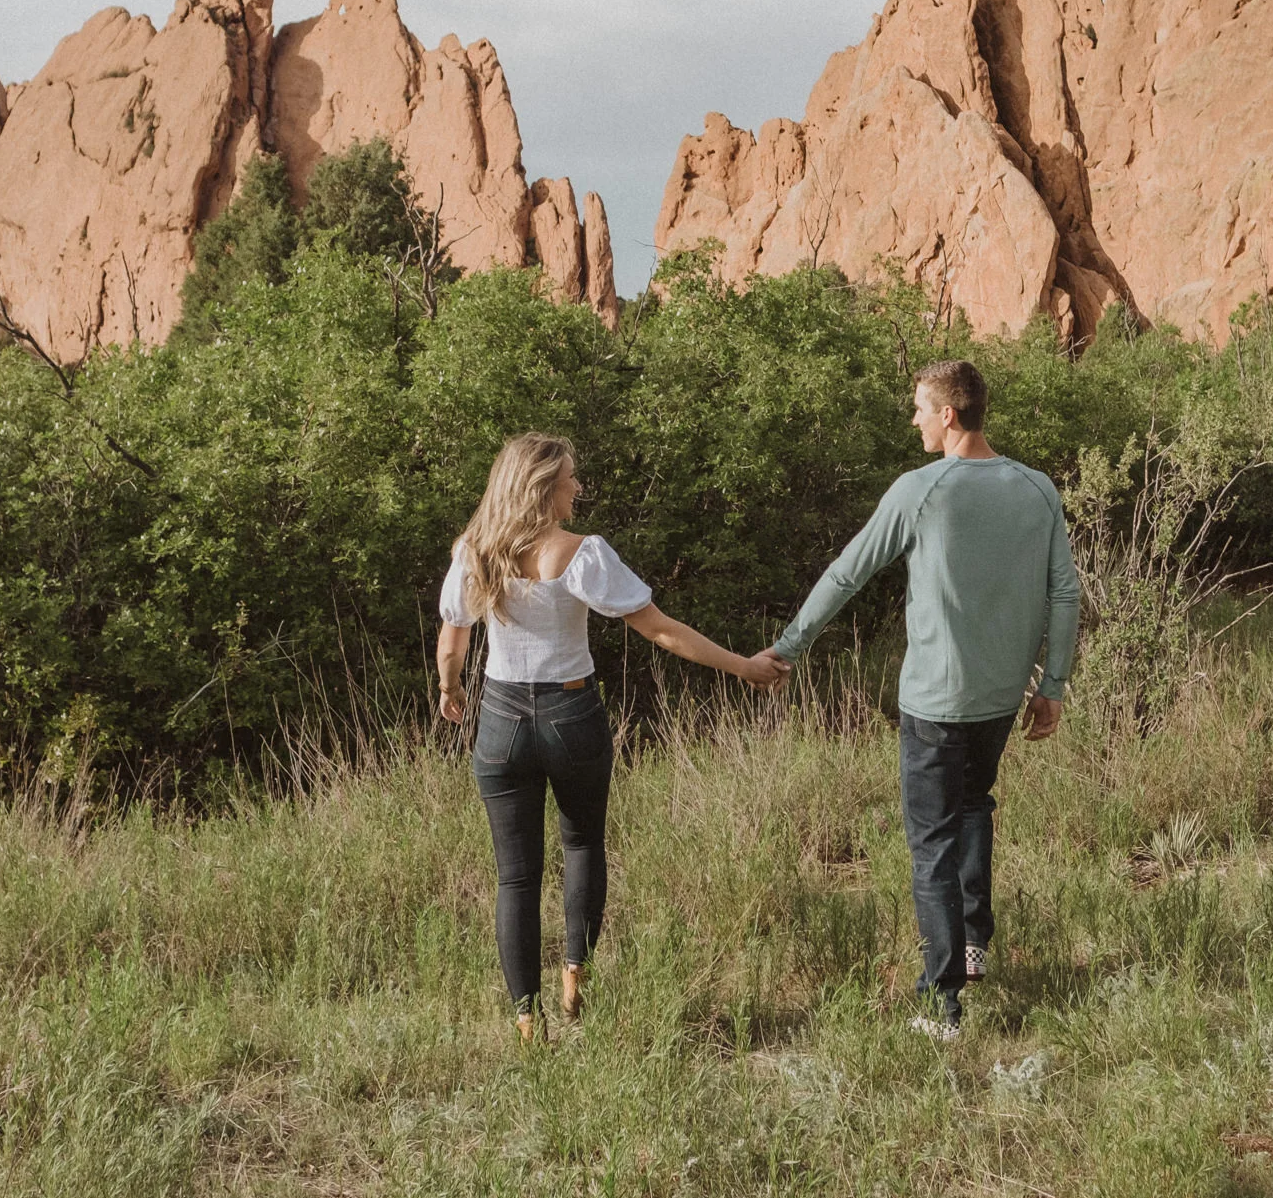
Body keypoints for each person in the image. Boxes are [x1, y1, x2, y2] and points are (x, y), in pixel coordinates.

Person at [756, 360, 1077, 1040]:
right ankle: (973, 944)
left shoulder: (920, 490)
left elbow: (849, 572)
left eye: (919, 409)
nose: (914, 420)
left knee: (930, 843)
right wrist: (1051, 687)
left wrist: (787, 648)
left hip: (935, 702)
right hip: (999, 699)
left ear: (950, 416)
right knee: (973, 807)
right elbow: (1065, 594)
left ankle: (942, 1004)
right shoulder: (1038, 488)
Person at [438, 432, 786, 1041]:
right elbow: (660, 630)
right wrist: (742, 666)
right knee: (582, 847)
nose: (577, 486)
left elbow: (452, 640)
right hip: (572, 716)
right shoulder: (581, 554)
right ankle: (576, 972)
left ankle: (526, 1017)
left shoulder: (474, 553)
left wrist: (451, 689)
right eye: (570, 478)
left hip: (500, 721)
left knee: (515, 875)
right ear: (545, 489)